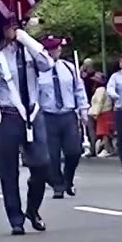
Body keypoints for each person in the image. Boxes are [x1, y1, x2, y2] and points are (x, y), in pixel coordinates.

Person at [0, 16, 54, 235]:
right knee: (9, 170)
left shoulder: (31, 53)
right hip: (9, 115)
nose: (13, 30)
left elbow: (47, 63)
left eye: (16, 26)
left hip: (32, 113)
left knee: (42, 164)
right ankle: (15, 218)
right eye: (10, 27)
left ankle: (32, 209)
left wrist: (28, 40)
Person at [38, 36, 88, 198]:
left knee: (74, 151)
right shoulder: (38, 70)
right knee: (52, 154)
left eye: (58, 48)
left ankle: (68, 179)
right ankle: (58, 185)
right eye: (53, 49)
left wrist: (83, 110)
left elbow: (78, 89)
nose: (57, 51)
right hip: (47, 116)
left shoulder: (69, 67)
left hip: (68, 114)